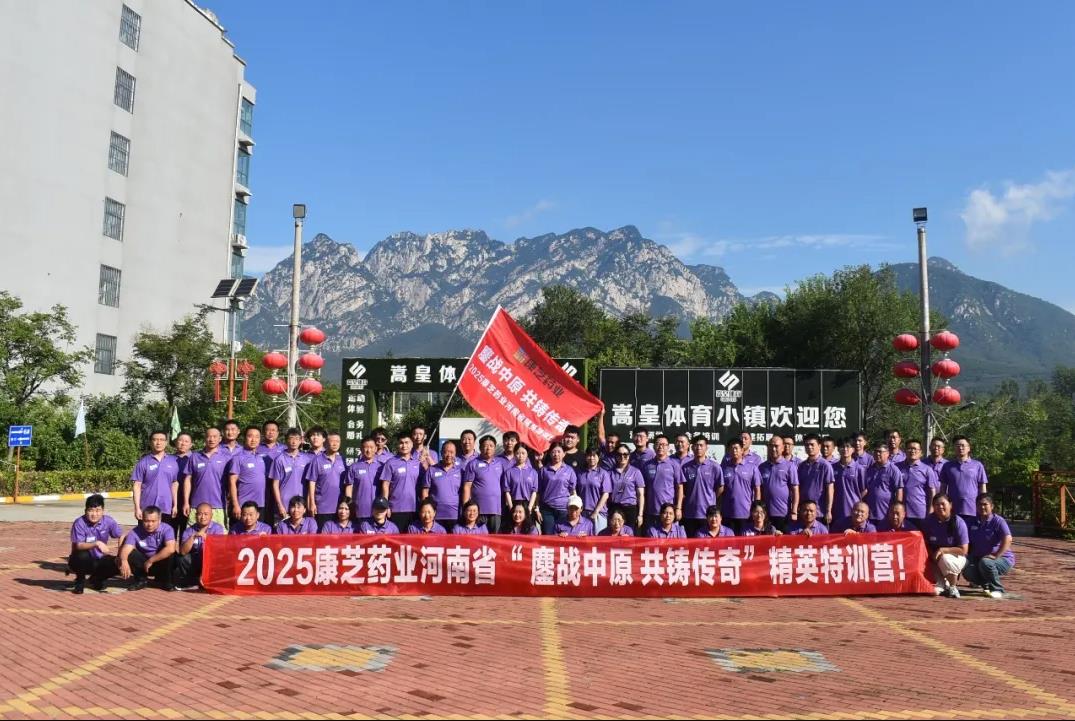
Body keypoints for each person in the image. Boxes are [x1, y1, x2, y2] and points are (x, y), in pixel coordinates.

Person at [963, 493, 1015, 599]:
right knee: (967, 569)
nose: (982, 507)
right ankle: (985, 584)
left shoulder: (998, 521)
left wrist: (996, 555)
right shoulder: (971, 522)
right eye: (979, 504)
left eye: (985, 504)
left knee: (986, 562)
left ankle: (997, 589)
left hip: (1002, 559)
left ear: (991, 506)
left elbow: (1008, 539)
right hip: (979, 558)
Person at [68, 494, 123, 593]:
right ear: (85, 511)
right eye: (91, 510)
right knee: (82, 555)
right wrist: (97, 543)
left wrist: (120, 556)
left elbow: (121, 536)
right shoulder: (79, 522)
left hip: (99, 559)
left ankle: (96, 579)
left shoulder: (108, 521)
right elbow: (78, 545)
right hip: (81, 560)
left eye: (98, 510)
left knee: (118, 563)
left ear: (103, 511)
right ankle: (80, 581)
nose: (94, 514)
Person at [118, 505, 176, 591]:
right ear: (142, 520)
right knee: (130, 553)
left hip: (158, 561)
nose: (149, 524)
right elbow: (126, 548)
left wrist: (151, 560)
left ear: (159, 520)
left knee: (171, 554)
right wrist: (123, 560)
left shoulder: (167, 529)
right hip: (143, 564)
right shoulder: (135, 531)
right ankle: (141, 580)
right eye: (146, 521)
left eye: (153, 521)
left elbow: (170, 548)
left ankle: (166, 581)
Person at [922, 493, 968, 598]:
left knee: (945, 558)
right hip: (934, 559)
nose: (940, 507)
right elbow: (924, 542)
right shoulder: (928, 521)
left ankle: (953, 586)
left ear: (950, 505)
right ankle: (941, 583)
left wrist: (942, 550)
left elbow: (964, 550)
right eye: (937, 505)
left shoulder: (959, 522)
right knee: (935, 591)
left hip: (956, 557)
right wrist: (931, 554)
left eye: (943, 504)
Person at [131, 430, 180, 526]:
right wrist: (137, 508)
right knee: (145, 534)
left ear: (166, 442)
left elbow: (174, 484)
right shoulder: (143, 462)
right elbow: (137, 486)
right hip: (147, 507)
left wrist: (175, 505)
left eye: (161, 440)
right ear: (150, 442)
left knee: (164, 534)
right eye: (155, 440)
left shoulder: (173, 462)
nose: (158, 443)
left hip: (166, 507)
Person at [270, 427, 317, 524]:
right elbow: (275, 484)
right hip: (285, 505)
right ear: (286, 440)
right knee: (282, 531)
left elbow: (311, 483)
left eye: (297, 439)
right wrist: (279, 505)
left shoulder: (307, 459)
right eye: (291, 438)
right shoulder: (279, 459)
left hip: (302, 505)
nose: (294, 441)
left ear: (301, 441)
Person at [940, 436, 988, 528]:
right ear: (954, 448)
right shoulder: (947, 466)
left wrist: (983, 505)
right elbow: (943, 488)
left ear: (969, 448)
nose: (960, 448)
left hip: (973, 509)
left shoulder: (977, 465)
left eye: (963, 445)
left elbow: (982, 487)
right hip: (953, 510)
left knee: (973, 534)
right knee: (954, 534)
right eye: (957, 445)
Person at [175, 502, 225, 590]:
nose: (202, 517)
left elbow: (218, 549)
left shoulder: (218, 528)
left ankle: (209, 580)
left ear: (211, 515)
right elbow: (183, 551)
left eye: (206, 514)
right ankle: (192, 582)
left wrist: (207, 538)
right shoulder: (189, 530)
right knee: (181, 558)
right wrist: (193, 537)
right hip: (196, 560)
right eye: (200, 514)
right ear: (195, 515)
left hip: (211, 560)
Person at [377, 434, 421, 532]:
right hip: (396, 509)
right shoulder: (390, 463)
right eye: (401, 443)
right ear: (397, 445)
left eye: (407, 443)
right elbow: (385, 485)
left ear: (412, 444)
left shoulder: (418, 463)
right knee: (396, 538)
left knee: (412, 539)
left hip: (414, 509)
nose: (404, 446)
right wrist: (386, 506)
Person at [681, 435, 723, 537]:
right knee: (691, 543)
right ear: (692, 447)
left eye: (701, 445)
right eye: (696, 445)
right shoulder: (685, 467)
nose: (698, 448)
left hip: (708, 514)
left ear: (706, 447)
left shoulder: (715, 467)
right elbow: (683, 489)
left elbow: (720, 488)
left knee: (707, 544)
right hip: (690, 513)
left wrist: (710, 498)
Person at [463, 435, 506, 532]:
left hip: (496, 510)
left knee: (495, 538)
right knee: (479, 538)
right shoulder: (473, 464)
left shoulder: (499, 464)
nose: (488, 448)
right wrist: (466, 507)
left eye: (491, 446)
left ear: (495, 448)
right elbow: (467, 487)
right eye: (485, 445)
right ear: (480, 447)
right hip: (478, 511)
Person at [306, 431, 347, 529]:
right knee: (323, 535)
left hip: (339, 507)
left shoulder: (342, 460)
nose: (335, 444)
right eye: (332, 441)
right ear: (326, 443)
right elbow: (312, 482)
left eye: (337, 441)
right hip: (322, 507)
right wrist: (312, 503)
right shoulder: (317, 460)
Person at [420, 439, 464, 532]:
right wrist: (426, 510)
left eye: (451, 452)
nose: (449, 455)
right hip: (435, 515)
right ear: (441, 453)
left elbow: (464, 492)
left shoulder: (460, 471)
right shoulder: (432, 470)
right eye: (446, 452)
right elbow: (425, 491)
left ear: (455, 454)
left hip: (454, 515)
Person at [641, 435, 684, 528]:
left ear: (668, 447)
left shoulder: (674, 464)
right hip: (651, 511)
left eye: (664, 444)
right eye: (658, 444)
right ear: (653, 446)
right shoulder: (647, 465)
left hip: (669, 512)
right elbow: (643, 489)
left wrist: (678, 508)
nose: (660, 447)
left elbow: (679, 487)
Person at [226, 426, 267, 522]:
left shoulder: (260, 458)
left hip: (259, 505)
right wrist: (235, 505)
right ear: (244, 438)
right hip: (243, 505)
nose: (253, 439)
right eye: (250, 436)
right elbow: (232, 482)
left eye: (257, 437)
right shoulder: (238, 458)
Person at [758, 435, 798, 533]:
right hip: (765, 514)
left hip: (783, 513)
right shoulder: (762, 467)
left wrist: (794, 511)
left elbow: (795, 490)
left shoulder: (789, 466)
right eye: (771, 446)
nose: (773, 449)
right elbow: (759, 489)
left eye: (776, 446)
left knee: (783, 541)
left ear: (783, 447)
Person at [721, 439, 762, 534]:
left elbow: (757, 489)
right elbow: (720, 489)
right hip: (728, 513)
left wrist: (756, 509)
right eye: (731, 449)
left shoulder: (752, 468)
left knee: (745, 541)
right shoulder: (723, 468)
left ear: (742, 450)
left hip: (746, 513)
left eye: (736, 448)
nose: (734, 451)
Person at [897, 439, 939, 530]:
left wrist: (931, 510)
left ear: (920, 452)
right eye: (909, 448)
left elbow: (932, 492)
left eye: (915, 449)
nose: (912, 451)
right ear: (905, 451)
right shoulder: (897, 467)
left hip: (920, 513)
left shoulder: (927, 469)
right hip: (901, 513)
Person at [536, 443, 576, 535]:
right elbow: (538, 491)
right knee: (548, 536)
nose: (556, 454)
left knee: (564, 536)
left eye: (559, 452)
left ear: (564, 454)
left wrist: (574, 508)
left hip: (564, 510)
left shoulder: (569, 470)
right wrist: (537, 509)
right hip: (547, 509)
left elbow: (573, 491)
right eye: (553, 452)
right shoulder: (544, 470)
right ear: (550, 454)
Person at [343, 436, 382, 525]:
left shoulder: (381, 467)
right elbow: (349, 487)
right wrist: (349, 505)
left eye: (371, 447)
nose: (368, 450)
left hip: (378, 509)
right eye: (366, 447)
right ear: (361, 449)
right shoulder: (354, 467)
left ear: (376, 449)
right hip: (360, 509)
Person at [863, 442, 904, 525]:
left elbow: (899, 490)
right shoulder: (869, 469)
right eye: (876, 451)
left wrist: (897, 509)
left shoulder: (893, 470)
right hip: (869, 513)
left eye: (880, 452)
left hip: (886, 513)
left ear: (887, 454)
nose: (877, 454)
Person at [607, 443, 646, 531]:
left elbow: (640, 495)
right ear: (616, 456)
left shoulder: (636, 472)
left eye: (625, 454)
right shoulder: (610, 473)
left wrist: (640, 514)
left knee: (630, 534)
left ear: (629, 456)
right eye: (619, 454)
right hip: (614, 507)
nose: (622, 457)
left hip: (630, 508)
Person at [831, 436, 867, 528]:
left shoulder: (859, 469)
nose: (845, 449)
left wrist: (856, 501)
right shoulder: (832, 468)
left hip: (853, 511)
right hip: (836, 510)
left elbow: (864, 490)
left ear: (853, 449)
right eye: (842, 447)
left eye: (848, 446)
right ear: (838, 449)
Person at [797, 433, 834, 521]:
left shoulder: (825, 465)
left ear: (819, 446)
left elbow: (830, 489)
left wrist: (828, 511)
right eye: (807, 445)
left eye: (812, 444)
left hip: (819, 512)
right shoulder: (801, 466)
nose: (809, 447)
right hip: (804, 512)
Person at [575, 448, 611, 533]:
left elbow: (605, 494)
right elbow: (575, 491)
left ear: (598, 457)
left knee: (598, 538)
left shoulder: (603, 473)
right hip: (582, 512)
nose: (591, 458)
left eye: (594, 455)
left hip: (599, 513)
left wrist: (596, 511)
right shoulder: (579, 473)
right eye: (589, 455)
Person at [502, 443, 539, 518]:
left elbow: (534, 492)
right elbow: (507, 492)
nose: (520, 456)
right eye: (518, 453)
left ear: (527, 454)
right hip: (514, 503)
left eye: (523, 453)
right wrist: (511, 508)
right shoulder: (509, 472)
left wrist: (529, 508)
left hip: (527, 504)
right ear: (514, 454)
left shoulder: (533, 472)